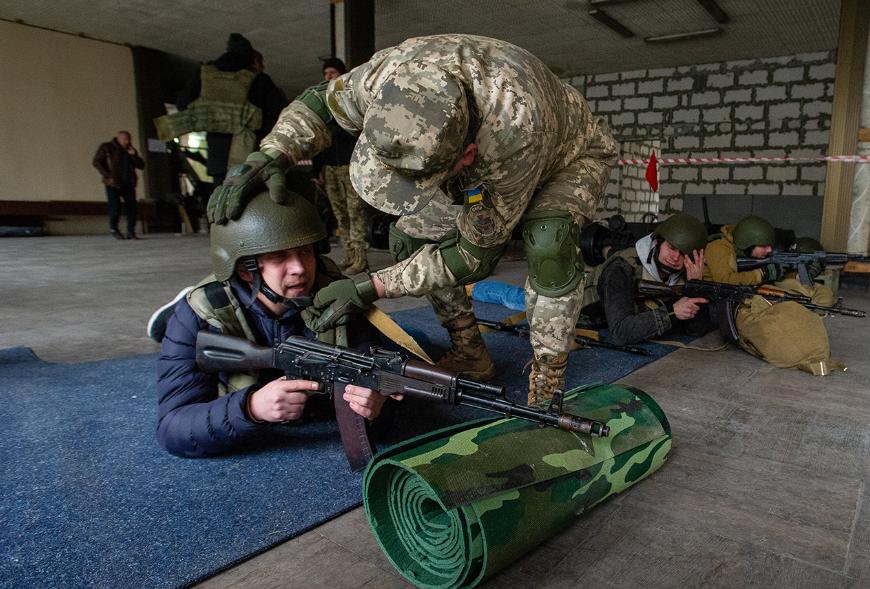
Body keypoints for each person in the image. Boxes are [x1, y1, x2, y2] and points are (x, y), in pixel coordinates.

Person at [207, 34, 618, 404]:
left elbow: (477, 255)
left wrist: (371, 286)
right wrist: (271, 153)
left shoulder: (513, 132)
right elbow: (321, 103)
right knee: (408, 240)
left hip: (568, 154)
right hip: (480, 142)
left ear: (465, 159)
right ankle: (469, 351)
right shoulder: (388, 77)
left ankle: (549, 377)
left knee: (549, 241)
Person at [155, 190, 395, 457]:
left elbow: (375, 379)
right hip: (225, 327)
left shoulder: (336, 298)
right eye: (279, 256)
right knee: (180, 339)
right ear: (247, 269)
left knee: (409, 340)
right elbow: (172, 428)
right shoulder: (198, 317)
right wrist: (250, 408)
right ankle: (167, 322)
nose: (300, 268)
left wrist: (376, 404)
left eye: (305, 251)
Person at [703, 215, 844, 376]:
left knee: (817, 292)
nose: (769, 250)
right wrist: (762, 274)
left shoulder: (743, 250)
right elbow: (725, 282)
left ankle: (803, 315)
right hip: (726, 300)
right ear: (746, 243)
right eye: (763, 246)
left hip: (749, 291)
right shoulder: (718, 248)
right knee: (773, 320)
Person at [156, 33, 287, 186]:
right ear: (250, 58)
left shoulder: (206, 74)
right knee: (249, 197)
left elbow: (182, 103)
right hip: (249, 151)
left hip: (217, 155)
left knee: (220, 199)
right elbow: (280, 112)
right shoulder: (259, 79)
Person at [580, 212, 712, 347]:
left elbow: (696, 330)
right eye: (671, 248)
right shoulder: (622, 268)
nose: (675, 257)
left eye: (683, 253)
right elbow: (621, 333)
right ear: (657, 242)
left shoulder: (684, 274)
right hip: (585, 319)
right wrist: (671, 312)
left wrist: (696, 286)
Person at [311, 57, 380, 276]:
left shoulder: (353, 98)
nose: (328, 77)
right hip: (331, 168)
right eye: (325, 73)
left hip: (352, 166)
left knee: (356, 212)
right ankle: (349, 256)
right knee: (340, 214)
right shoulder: (324, 104)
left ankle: (360, 258)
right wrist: (318, 169)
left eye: (332, 72)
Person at [92, 130, 145, 240]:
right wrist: (107, 176)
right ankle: (114, 229)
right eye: (125, 139)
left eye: (129, 139)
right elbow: (97, 162)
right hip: (113, 183)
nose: (127, 142)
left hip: (128, 182)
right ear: (119, 138)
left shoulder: (130, 150)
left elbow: (141, 165)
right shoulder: (107, 147)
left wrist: (134, 155)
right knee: (115, 207)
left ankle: (131, 231)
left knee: (132, 208)